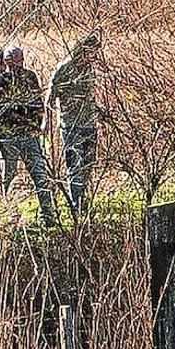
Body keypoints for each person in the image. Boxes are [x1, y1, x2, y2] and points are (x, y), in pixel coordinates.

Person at [0, 45, 56, 227]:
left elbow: (37, 104)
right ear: (5, 62)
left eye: (18, 60)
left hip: (28, 135)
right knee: (8, 177)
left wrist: (37, 125)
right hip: (9, 137)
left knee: (40, 176)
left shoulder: (30, 77)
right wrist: (0, 135)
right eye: (12, 60)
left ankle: (48, 216)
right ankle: (10, 217)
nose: (16, 64)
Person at [47, 34, 102, 215]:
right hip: (70, 126)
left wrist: (101, 113)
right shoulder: (64, 68)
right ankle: (75, 206)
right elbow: (50, 98)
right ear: (83, 50)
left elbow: (90, 98)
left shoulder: (89, 71)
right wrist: (46, 123)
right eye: (92, 51)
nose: (94, 55)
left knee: (88, 165)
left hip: (89, 125)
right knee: (74, 165)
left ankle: (83, 202)